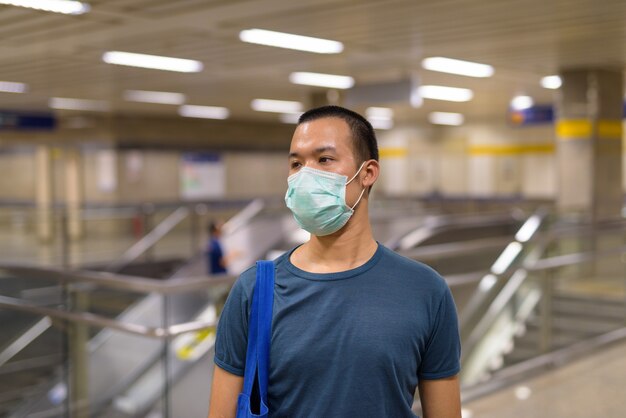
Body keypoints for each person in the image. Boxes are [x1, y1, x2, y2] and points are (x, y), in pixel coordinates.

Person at [208, 105, 461, 418]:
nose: (305, 175)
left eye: (324, 159)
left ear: (367, 173)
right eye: (296, 163)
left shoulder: (425, 291)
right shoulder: (255, 290)